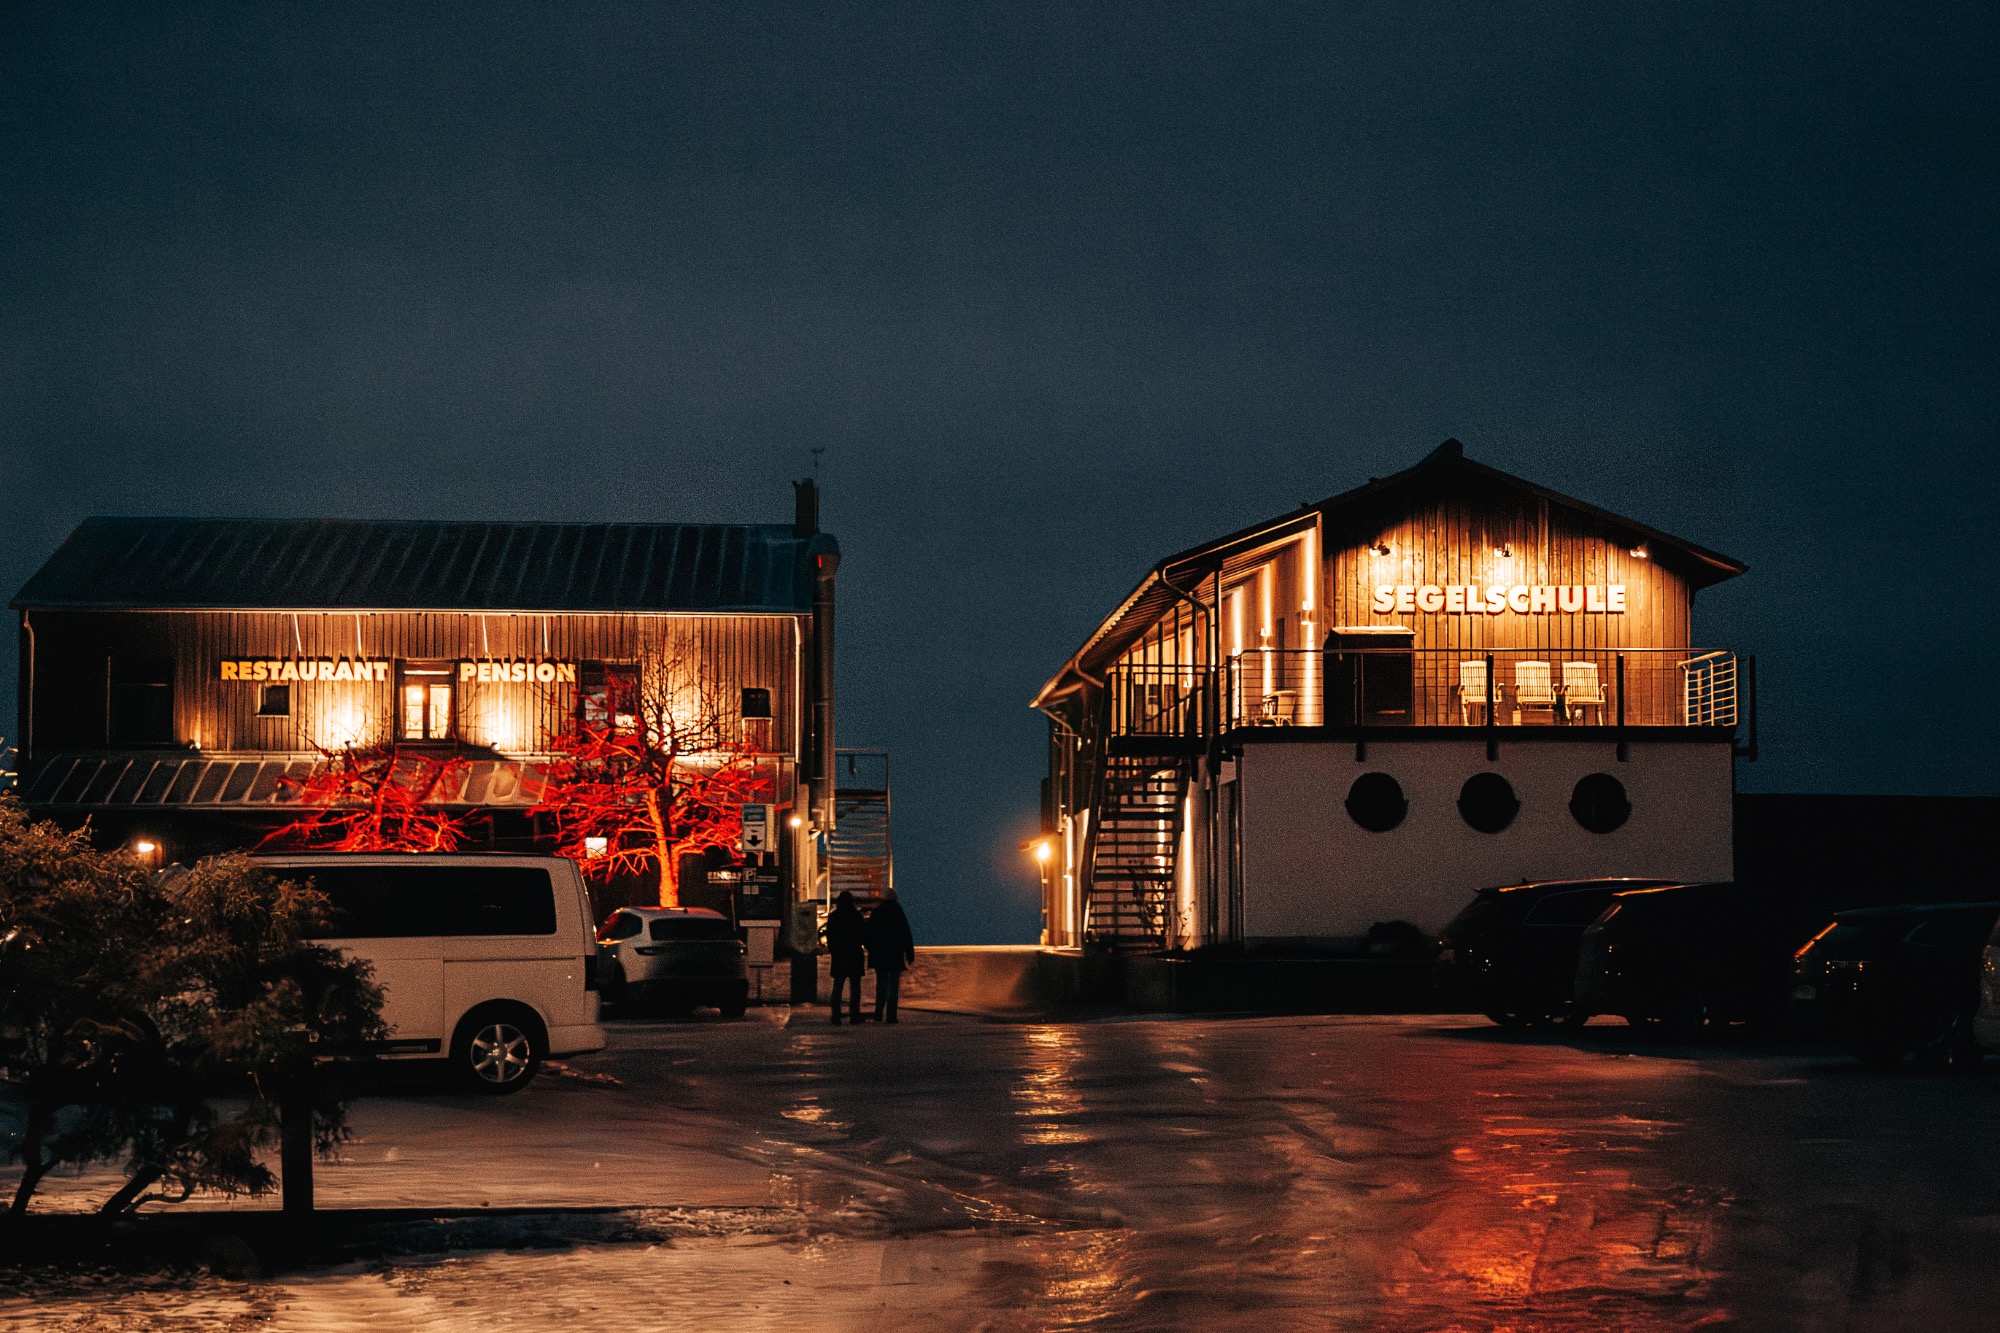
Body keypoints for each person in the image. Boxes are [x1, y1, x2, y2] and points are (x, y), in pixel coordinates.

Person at [862, 889, 915, 1024]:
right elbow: (906, 934)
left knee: (881, 985)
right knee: (893, 986)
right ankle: (891, 1016)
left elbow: (868, 934)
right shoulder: (898, 912)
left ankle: (878, 1014)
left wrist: (871, 949)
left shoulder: (877, 912)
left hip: (880, 955)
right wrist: (909, 954)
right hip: (895, 955)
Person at [822, 891, 866, 1024]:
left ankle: (836, 1014)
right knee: (855, 987)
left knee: (838, 985)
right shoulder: (856, 915)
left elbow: (830, 936)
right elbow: (863, 934)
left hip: (840, 955)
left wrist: (833, 950)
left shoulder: (834, 916)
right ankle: (854, 1014)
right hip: (854, 954)